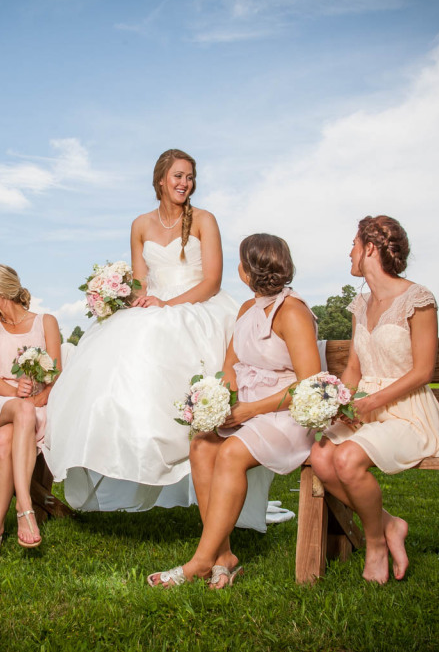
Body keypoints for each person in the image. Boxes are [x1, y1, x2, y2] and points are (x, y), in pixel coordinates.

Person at [44, 149, 271, 531]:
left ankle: (203, 465)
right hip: (155, 306)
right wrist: (119, 297)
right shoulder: (140, 224)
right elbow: (141, 283)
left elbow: (212, 281)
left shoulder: (204, 219)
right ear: (161, 180)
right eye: (178, 176)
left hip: (200, 305)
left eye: (190, 177)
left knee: (164, 339)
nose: (185, 183)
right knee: (120, 354)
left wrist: (168, 304)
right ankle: (129, 455)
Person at [148, 234, 321, 588]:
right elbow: (231, 364)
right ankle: (223, 555)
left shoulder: (293, 313)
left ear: (245, 272)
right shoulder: (246, 310)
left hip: (287, 415)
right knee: (201, 444)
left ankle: (199, 561)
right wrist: (219, 403)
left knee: (229, 453)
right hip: (248, 410)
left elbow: (309, 385)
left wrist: (248, 411)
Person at [309, 215, 439, 583]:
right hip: (366, 409)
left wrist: (369, 404)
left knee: (347, 459)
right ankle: (389, 524)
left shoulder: (418, 299)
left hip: (407, 413)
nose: (350, 252)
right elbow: (354, 369)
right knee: (320, 456)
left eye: (354, 245)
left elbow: (423, 372)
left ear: (370, 248)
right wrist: (338, 406)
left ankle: (374, 544)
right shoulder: (361, 305)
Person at [0, 264, 62, 560]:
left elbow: (57, 373)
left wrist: (39, 398)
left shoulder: (46, 322)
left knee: (3, 441)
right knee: (20, 411)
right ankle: (25, 507)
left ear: (0, 293)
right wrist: (15, 393)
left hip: (37, 406)